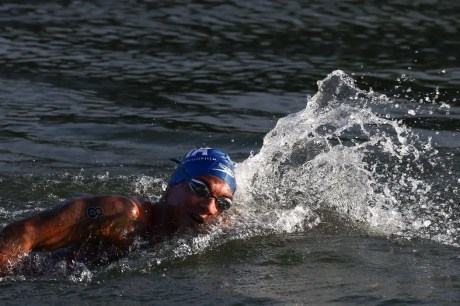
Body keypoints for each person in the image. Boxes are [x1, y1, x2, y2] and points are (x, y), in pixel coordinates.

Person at [0, 148, 236, 276]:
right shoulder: (123, 214)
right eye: (200, 189)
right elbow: (25, 233)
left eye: (223, 203)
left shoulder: (209, 229)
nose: (209, 207)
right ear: (172, 185)